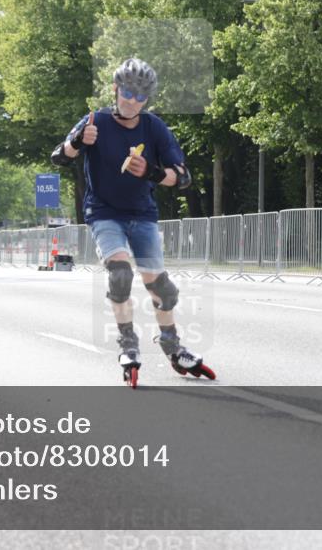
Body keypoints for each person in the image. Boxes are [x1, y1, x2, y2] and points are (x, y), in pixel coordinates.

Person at [50, 57, 215, 387]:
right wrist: (77, 141)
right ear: (116, 89)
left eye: (140, 97)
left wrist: (153, 173)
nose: (131, 102)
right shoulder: (94, 121)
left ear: (147, 100)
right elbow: (59, 157)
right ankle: (128, 346)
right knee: (121, 273)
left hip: (142, 215)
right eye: (127, 93)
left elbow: (182, 177)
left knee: (162, 290)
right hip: (104, 213)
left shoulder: (154, 127)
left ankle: (172, 345)